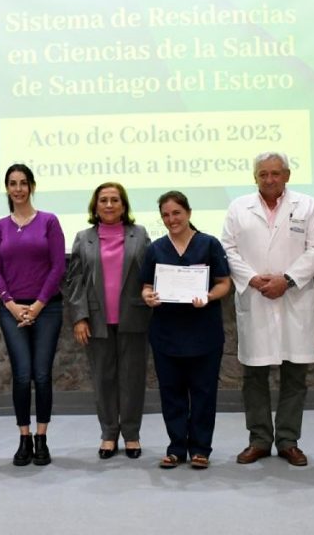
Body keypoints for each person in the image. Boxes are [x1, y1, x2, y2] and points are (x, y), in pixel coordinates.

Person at [221, 152, 314, 467]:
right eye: (263, 174)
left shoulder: (306, 206)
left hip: (293, 298)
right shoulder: (239, 208)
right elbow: (227, 248)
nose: (269, 179)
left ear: (287, 175)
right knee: (254, 376)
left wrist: (288, 280)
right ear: (255, 177)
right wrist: (253, 279)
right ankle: (259, 439)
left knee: (295, 376)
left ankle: (288, 440)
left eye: (276, 173)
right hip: (255, 299)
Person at [142, 191, 231, 470]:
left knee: (204, 392)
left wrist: (209, 296)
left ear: (188, 213)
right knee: (171, 393)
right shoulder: (155, 249)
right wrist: (147, 296)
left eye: (176, 213)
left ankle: (201, 448)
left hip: (204, 333)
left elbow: (224, 282)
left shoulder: (209, 244)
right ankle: (177, 448)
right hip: (166, 333)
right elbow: (146, 285)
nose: (171, 220)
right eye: (166, 215)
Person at [64, 183, 151, 460]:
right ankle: (109, 434)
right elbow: (75, 281)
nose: (110, 205)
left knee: (133, 380)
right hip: (97, 320)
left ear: (124, 206)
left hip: (134, 317)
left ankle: (132, 435)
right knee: (104, 380)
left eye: (115, 200)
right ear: (95, 206)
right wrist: (79, 317)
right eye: (104, 200)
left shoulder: (140, 235)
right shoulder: (83, 237)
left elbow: (150, 274)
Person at [0, 164, 66, 466]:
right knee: (22, 376)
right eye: (12, 183)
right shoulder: (0, 226)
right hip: (11, 310)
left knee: (42, 374)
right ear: (7, 188)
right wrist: (11, 304)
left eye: (23, 183)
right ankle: (23, 437)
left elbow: (58, 266)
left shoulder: (49, 221)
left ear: (31, 186)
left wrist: (37, 305)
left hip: (47, 308)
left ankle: (42, 438)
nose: (18, 188)